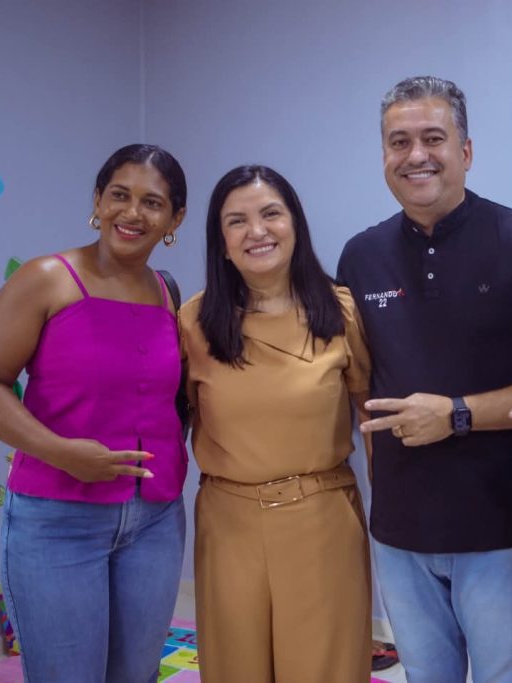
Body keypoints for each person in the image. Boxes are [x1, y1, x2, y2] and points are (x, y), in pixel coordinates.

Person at [337, 75, 512, 683]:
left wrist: (456, 413)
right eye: (399, 142)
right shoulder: (360, 256)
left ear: (465, 151)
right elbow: (361, 384)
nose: (415, 155)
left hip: (500, 529)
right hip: (399, 531)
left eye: (433, 138)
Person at [0, 144, 189, 683]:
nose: (132, 213)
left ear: (174, 219)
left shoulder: (167, 293)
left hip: (155, 520)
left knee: (137, 675)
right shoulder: (47, 278)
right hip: (57, 520)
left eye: (152, 203)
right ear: (97, 201)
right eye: (119, 195)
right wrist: (61, 452)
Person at [178, 165, 372, 682]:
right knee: (234, 669)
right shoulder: (193, 322)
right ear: (221, 243)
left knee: (325, 670)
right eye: (237, 221)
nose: (257, 231)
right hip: (228, 523)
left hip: (322, 520)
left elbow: (371, 416)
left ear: (295, 225)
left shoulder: (340, 311)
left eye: (270, 214)